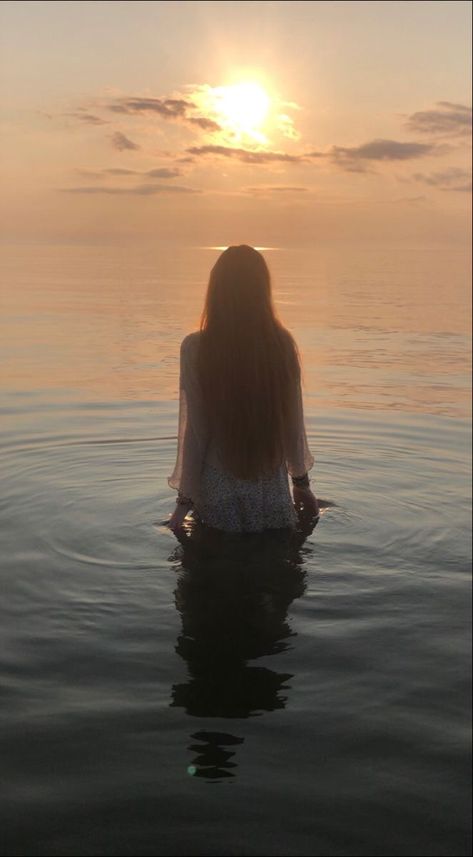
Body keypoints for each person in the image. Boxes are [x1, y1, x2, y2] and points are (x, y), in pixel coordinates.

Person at [167, 244, 319, 534]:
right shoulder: (281, 345)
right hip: (271, 496)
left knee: (214, 572)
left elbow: (197, 432)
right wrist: (301, 485)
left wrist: (183, 504)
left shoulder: (196, 348)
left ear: (216, 291)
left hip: (217, 496)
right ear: (263, 291)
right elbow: (292, 422)